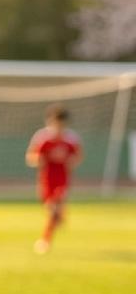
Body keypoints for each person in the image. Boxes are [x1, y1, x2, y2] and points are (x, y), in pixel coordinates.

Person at [25, 105, 83, 254]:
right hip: (46, 179)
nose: (58, 126)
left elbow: (78, 157)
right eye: (55, 123)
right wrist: (41, 159)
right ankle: (60, 216)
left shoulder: (71, 138)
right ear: (50, 122)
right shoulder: (42, 137)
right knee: (51, 210)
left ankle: (45, 241)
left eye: (61, 124)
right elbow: (31, 158)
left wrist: (70, 160)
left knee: (53, 209)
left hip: (62, 179)